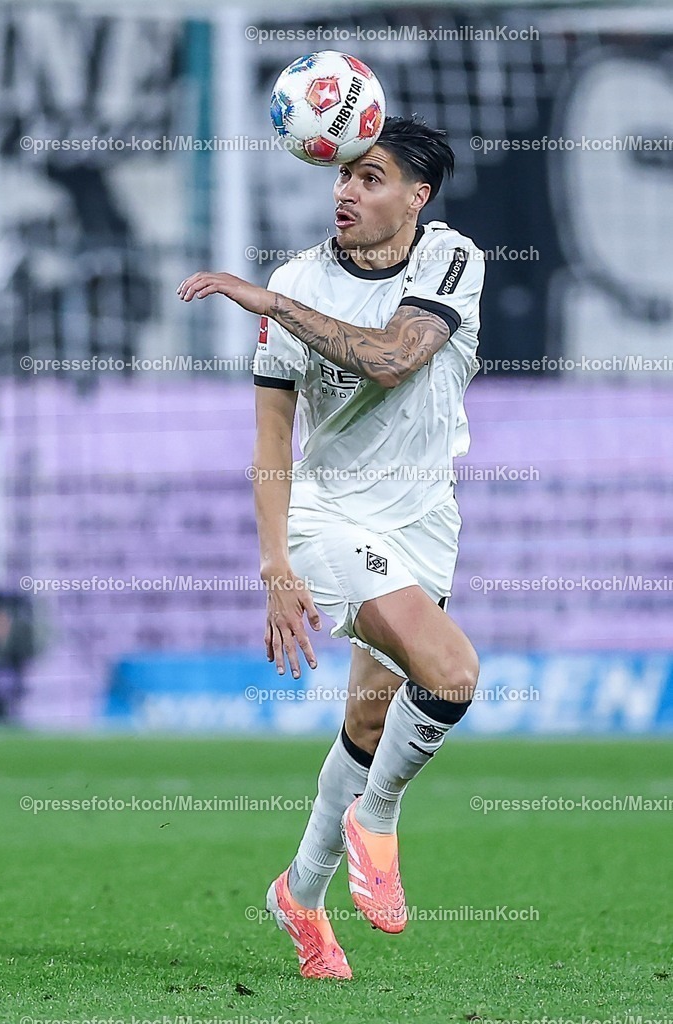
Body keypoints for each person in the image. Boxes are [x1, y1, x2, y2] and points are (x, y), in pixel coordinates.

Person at [177, 115, 485, 980]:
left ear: (415, 197)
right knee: (452, 670)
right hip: (327, 515)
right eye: (343, 175)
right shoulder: (301, 277)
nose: (346, 190)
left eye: (372, 177)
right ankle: (376, 818)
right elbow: (272, 440)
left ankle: (299, 898)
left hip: (424, 519)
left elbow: (394, 358)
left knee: (369, 716)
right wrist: (275, 564)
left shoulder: (451, 260)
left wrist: (271, 305)